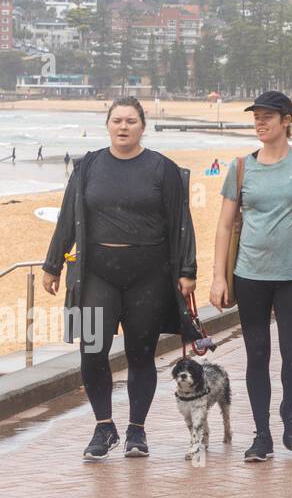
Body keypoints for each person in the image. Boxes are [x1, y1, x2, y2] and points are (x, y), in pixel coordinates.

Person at [41, 97, 200, 460]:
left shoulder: (163, 169)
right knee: (91, 351)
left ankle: (137, 432)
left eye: (131, 121)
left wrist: (187, 271)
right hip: (96, 274)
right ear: (108, 125)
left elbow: (181, 222)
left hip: (149, 275)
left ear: (143, 126)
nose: (123, 127)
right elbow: (68, 216)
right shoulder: (88, 166)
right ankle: (103, 427)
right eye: (117, 121)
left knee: (141, 355)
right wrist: (53, 265)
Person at [211, 91, 292, 462]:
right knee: (256, 355)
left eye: (268, 116)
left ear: (287, 120)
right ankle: (262, 435)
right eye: (257, 117)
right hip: (249, 276)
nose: (260, 122)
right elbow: (223, 227)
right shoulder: (240, 168)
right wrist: (218, 277)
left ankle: (289, 407)